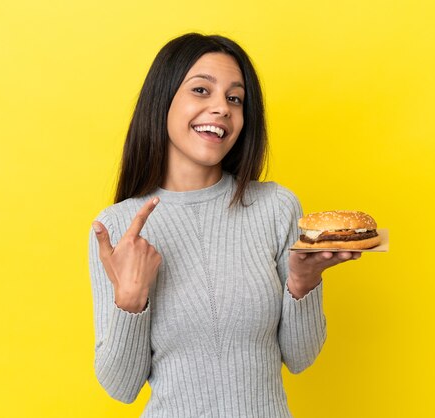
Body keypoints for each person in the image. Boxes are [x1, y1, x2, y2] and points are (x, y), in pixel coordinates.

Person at [88, 33, 361, 417]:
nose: (222, 108)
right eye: (201, 90)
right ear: (162, 101)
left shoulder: (276, 207)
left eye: (235, 98)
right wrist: (131, 298)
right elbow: (121, 387)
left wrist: (303, 285)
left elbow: (301, 358)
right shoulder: (117, 227)